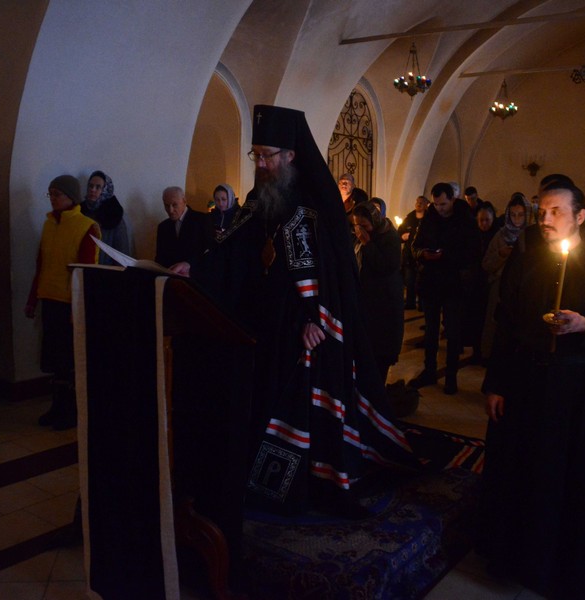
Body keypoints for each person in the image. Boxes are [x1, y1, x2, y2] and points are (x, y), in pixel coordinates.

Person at [170, 105, 416, 515]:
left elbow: (334, 271)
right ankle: (259, 477)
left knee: (298, 405)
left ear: (290, 154)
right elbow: (233, 249)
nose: (260, 164)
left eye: (267, 156)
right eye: (256, 156)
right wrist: (196, 267)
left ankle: (299, 483)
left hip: (305, 328)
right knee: (264, 397)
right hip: (265, 320)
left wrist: (315, 316)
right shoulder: (259, 200)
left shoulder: (318, 204)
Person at [479, 180, 585, 600]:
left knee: (569, 482)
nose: (545, 219)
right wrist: (495, 384)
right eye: (542, 211)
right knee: (520, 473)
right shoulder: (526, 259)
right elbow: (505, 324)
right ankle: (514, 559)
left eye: (556, 212)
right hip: (526, 385)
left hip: (578, 393)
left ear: (580, 216)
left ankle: (564, 570)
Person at [25, 175, 100, 430]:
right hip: (50, 299)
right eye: (51, 193)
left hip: (70, 303)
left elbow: (86, 273)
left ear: (71, 197)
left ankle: (71, 412)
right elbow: (41, 264)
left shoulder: (86, 226)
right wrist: (33, 299)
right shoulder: (49, 224)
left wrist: (78, 308)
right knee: (55, 360)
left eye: (57, 193)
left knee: (69, 360)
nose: (53, 198)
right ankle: (57, 407)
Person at [409, 182, 475, 394]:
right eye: (436, 204)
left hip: (454, 283)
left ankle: (451, 376)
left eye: (443, 204)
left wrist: (446, 256)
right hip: (430, 281)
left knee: (453, 331)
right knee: (431, 330)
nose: (439, 209)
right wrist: (423, 254)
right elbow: (415, 245)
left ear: (452, 200)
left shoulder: (465, 219)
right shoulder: (429, 217)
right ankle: (429, 370)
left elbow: (471, 252)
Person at [350, 201, 404, 384]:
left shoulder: (389, 237)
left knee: (379, 354)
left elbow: (386, 266)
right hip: (365, 303)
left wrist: (367, 243)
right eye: (356, 225)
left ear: (374, 220)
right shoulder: (358, 236)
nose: (359, 230)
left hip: (384, 305)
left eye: (364, 225)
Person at [481, 193, 530, 360]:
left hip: (524, 289)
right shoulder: (500, 236)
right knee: (496, 326)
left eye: (520, 215)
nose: (516, 219)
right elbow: (486, 263)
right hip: (500, 286)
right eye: (513, 215)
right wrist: (501, 254)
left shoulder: (531, 236)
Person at [463, 201, 497, 360]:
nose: (484, 224)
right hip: (474, 283)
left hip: (489, 284)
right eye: (481, 220)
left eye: (487, 220)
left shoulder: (497, 237)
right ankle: (476, 351)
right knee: (475, 319)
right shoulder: (472, 236)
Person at [81, 170, 131, 266]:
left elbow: (121, 254)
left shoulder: (114, 214)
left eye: (98, 187)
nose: (93, 190)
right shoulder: (80, 211)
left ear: (106, 190)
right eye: (90, 186)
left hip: (106, 270)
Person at [154, 186, 212, 267]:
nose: (170, 210)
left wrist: (189, 264)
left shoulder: (202, 220)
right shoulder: (163, 227)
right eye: (166, 205)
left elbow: (209, 252)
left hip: (194, 273)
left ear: (184, 201)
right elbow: (160, 259)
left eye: (174, 205)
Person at [397, 195, 427, 310]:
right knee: (410, 281)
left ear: (426, 205)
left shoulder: (429, 218)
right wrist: (402, 237)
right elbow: (399, 232)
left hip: (423, 256)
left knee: (422, 282)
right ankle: (410, 303)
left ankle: (423, 304)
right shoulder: (410, 217)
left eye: (421, 202)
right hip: (409, 255)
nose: (418, 204)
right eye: (417, 202)